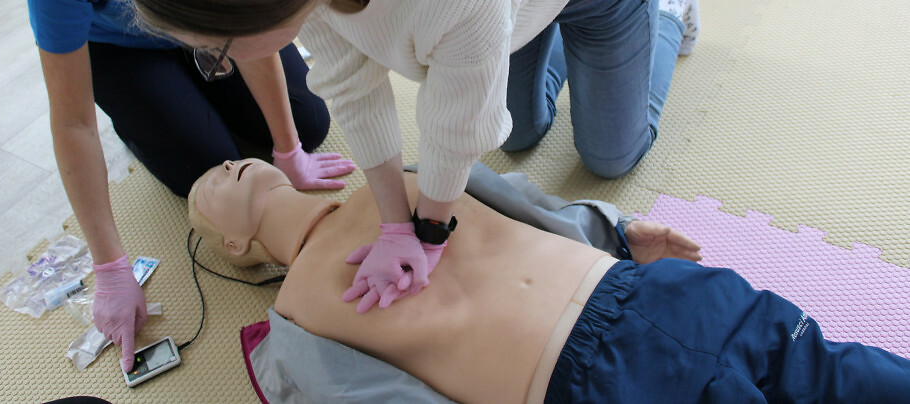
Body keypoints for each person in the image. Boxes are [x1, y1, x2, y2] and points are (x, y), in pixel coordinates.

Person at [120, 0, 701, 311]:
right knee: (519, 133)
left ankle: (670, 9)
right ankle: (540, 42)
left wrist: (428, 235)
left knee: (610, 159)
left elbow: (455, 130)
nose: (218, 64)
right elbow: (352, 87)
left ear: (260, 5)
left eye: (213, 48)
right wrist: (395, 226)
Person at [13, 0, 354, 371]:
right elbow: (69, 121)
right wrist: (111, 267)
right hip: (119, 49)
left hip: (206, 12)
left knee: (306, 127)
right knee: (206, 174)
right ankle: (146, 116)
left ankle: (233, 121)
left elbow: (248, 12)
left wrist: (285, 152)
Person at [191, 158, 910, 403]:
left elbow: (527, 204)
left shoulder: (394, 175)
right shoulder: (294, 320)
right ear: (235, 245)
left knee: (828, 368)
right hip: (588, 383)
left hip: (644, 292)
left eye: (226, 160)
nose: (227, 165)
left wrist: (619, 229)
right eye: (208, 187)